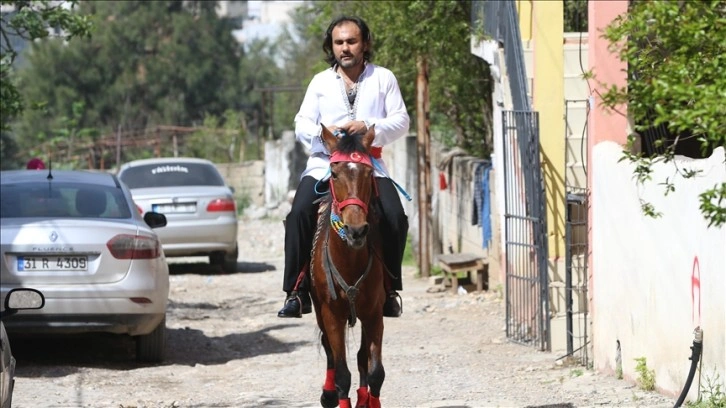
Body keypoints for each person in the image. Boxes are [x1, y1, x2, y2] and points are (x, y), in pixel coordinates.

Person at [277, 15, 410, 318]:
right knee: (298, 213)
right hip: (326, 165)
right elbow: (302, 123)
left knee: (395, 215)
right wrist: (325, 138)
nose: (345, 48)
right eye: (339, 42)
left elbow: (401, 120)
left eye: (351, 41)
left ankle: (390, 288)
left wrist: (369, 125)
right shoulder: (320, 82)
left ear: (365, 44)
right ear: (332, 46)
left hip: (368, 165)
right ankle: (295, 292)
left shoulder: (383, 78)